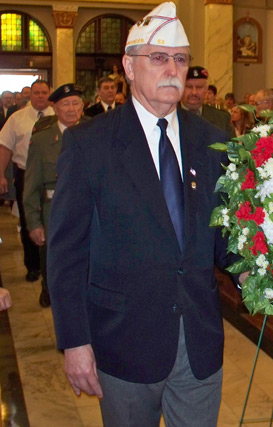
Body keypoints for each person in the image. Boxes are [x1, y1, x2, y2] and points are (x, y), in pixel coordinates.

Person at [47, 3, 231, 426]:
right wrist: (75, 342)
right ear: (129, 67)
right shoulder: (89, 144)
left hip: (198, 343)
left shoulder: (214, 141)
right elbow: (66, 254)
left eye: (180, 59)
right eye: (159, 58)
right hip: (123, 342)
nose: (172, 69)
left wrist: (269, 267)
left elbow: (225, 238)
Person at [23, 84, 84, 308]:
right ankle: (51, 290)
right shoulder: (41, 140)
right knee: (54, 263)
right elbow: (31, 186)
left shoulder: (94, 133)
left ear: (83, 106)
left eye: (75, 103)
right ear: (55, 109)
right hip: (54, 211)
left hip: (87, 210)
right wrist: (33, 224)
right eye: (65, 104)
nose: (71, 109)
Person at [0, 80, 54, 284]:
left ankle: (51, 265)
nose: (40, 96)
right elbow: (4, 146)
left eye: (44, 92)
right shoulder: (17, 118)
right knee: (28, 220)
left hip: (53, 177)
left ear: (49, 94)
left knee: (52, 221)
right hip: (26, 175)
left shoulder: (57, 116)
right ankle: (32, 266)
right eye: (36, 93)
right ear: (29, 95)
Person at [181, 65, 234, 139]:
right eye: (189, 87)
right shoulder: (168, 117)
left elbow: (233, 149)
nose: (194, 92)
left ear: (206, 90)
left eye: (199, 87)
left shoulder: (222, 119)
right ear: (180, 88)